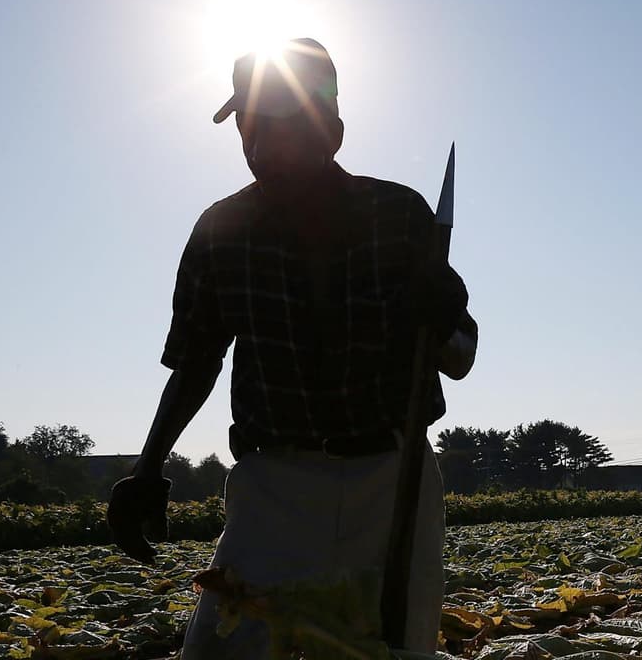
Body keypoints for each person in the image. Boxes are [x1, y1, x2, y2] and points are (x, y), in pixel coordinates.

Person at [105, 38, 476, 658]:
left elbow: (459, 357)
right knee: (222, 646)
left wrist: (440, 321)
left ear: (331, 131)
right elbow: (196, 360)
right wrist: (146, 469)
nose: (259, 144)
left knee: (395, 646)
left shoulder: (401, 215)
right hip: (271, 484)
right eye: (248, 127)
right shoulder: (221, 230)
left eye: (280, 124)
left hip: (392, 480)